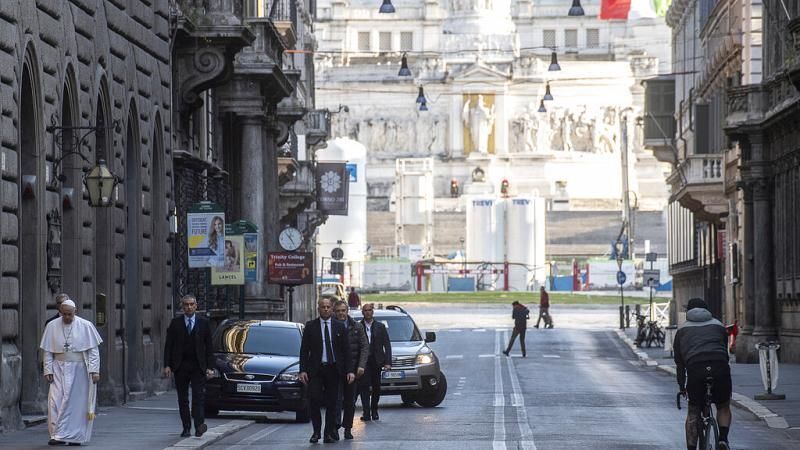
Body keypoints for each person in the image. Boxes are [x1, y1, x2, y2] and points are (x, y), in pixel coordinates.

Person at [40, 299, 103, 446]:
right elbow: (48, 351)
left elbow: (93, 351)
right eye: (65, 314)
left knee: (76, 403)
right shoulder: (52, 326)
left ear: (76, 312)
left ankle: (74, 436)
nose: (67, 317)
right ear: (60, 312)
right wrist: (47, 369)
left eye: (70, 314)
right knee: (55, 401)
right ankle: (56, 435)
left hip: (79, 370)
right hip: (58, 368)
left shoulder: (85, 326)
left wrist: (95, 371)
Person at [674, 298, 732, 450]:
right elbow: (725, 353)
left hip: (696, 369)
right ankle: (723, 439)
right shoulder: (719, 325)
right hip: (719, 367)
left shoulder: (681, 330)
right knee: (723, 406)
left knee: (694, 411)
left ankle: (692, 448)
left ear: (688, 312)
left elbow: (680, 364)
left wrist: (682, 386)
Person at [299, 298, 354, 444]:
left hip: (333, 369)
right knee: (315, 399)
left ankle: (328, 433)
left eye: (328, 307)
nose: (326, 309)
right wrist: (302, 370)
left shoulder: (339, 327)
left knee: (332, 403)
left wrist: (350, 371)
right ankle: (316, 432)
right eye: (323, 307)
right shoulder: (311, 326)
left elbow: (346, 351)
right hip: (316, 370)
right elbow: (304, 350)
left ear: (331, 309)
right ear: (318, 309)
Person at [163, 295, 214, 438]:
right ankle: (186, 427)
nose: (189, 307)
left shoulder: (203, 323)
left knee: (198, 397)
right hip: (180, 366)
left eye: (191, 304)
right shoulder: (176, 323)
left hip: (198, 366)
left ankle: (199, 426)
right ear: (182, 307)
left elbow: (209, 347)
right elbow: (169, 346)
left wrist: (210, 367)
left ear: (196, 306)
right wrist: (167, 365)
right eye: (186, 305)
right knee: (183, 399)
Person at [333, 300, 369, 440]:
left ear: (347, 311)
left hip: (353, 371)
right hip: (335, 371)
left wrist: (361, 366)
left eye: (343, 310)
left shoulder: (356, 326)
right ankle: (335, 428)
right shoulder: (331, 327)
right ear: (334, 312)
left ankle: (347, 428)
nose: (341, 313)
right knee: (335, 401)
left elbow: (365, 347)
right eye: (338, 311)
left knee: (350, 401)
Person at [359, 303, 392, 421]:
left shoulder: (380, 327)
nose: (368, 312)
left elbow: (387, 345)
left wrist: (388, 362)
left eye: (369, 310)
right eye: (365, 310)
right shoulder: (358, 326)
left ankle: (374, 410)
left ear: (372, 312)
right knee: (364, 386)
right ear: (362, 312)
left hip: (377, 361)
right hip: (364, 361)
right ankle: (366, 412)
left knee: (376, 387)